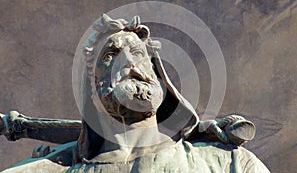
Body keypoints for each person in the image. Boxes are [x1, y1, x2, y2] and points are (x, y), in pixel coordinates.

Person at [0, 14, 270, 173]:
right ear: (93, 91)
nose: (129, 61)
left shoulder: (227, 163)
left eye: (139, 53)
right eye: (111, 55)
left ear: (160, 81)